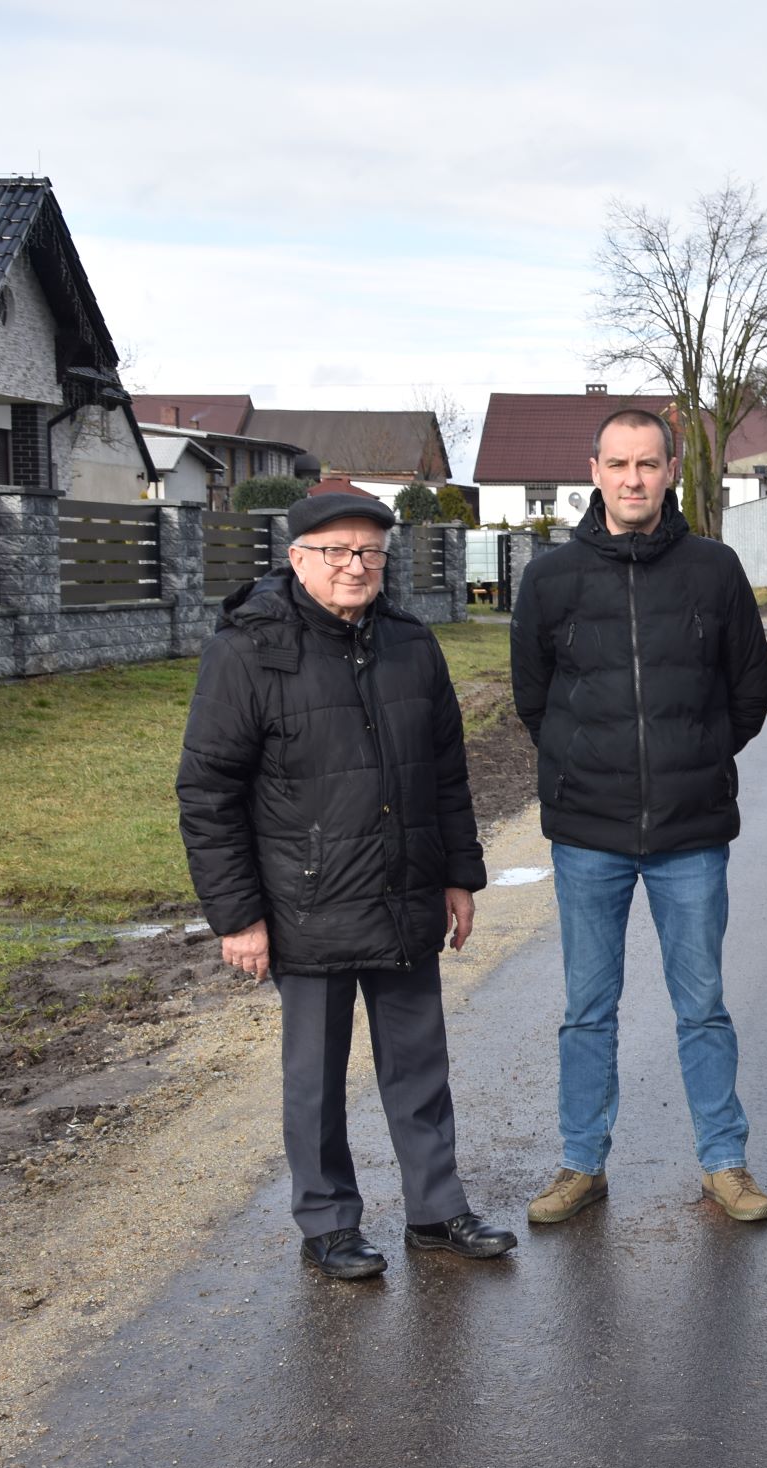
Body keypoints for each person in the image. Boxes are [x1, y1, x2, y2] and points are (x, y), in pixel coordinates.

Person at [177, 492, 516, 1281]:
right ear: (297, 559)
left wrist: (459, 874)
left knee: (420, 1064)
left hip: (403, 892)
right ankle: (328, 1220)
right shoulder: (249, 650)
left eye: (368, 551)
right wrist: (238, 916)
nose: (355, 566)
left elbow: (446, 772)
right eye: (336, 552)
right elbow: (207, 789)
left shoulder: (409, 642)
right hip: (306, 902)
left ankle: (436, 1209)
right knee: (316, 1077)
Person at [510, 408, 767, 1224]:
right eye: (618, 463)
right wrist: (589, 765)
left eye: (647, 464)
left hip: (690, 835)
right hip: (588, 834)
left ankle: (724, 1164)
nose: (633, 478)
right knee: (588, 1007)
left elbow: (747, 693)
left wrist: (693, 755)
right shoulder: (550, 578)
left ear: (670, 471)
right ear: (594, 469)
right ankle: (581, 1163)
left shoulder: (715, 569)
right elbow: (533, 698)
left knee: (702, 1005)